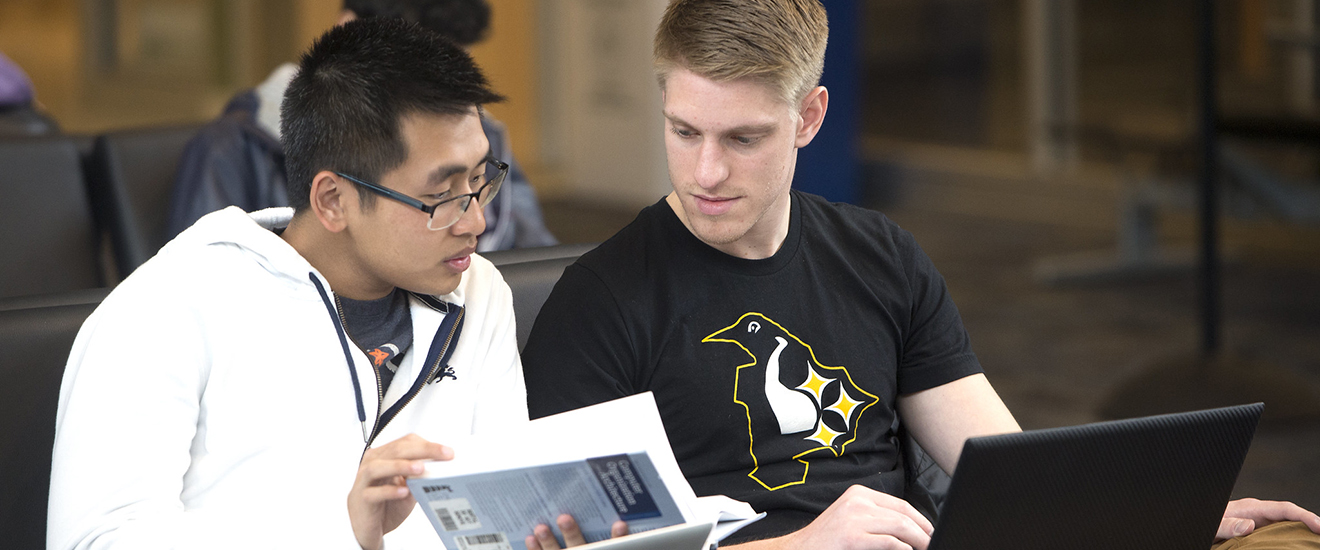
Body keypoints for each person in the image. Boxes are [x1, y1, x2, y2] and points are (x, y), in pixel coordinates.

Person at [520, 1, 1320, 549]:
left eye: (743, 138)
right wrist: (803, 543)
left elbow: (1008, 470)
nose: (706, 170)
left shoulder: (881, 258)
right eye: (684, 130)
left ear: (809, 118)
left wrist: (1161, 517)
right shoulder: (600, 304)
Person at [49, 18, 526, 549]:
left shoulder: (478, 291)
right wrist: (341, 537)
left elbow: (501, 507)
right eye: (441, 196)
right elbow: (95, 541)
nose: (475, 222)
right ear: (332, 201)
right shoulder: (167, 307)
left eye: (479, 181)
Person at [164, 0, 557, 252]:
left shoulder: (478, 135)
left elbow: (535, 267)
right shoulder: (233, 148)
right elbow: (202, 300)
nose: (443, 98)